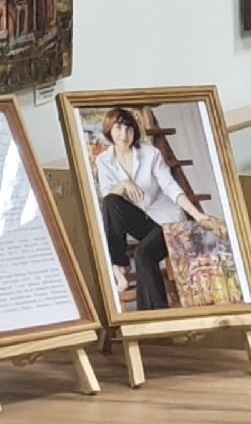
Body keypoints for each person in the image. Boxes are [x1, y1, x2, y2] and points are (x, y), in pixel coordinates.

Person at [91, 107, 216, 311]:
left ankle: (154, 315)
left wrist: (196, 214)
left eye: (129, 129)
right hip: (141, 221)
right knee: (111, 202)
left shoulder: (150, 154)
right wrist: (124, 184)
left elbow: (170, 186)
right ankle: (119, 264)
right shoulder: (104, 160)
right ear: (109, 131)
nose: (124, 134)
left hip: (165, 221)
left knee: (143, 254)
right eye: (118, 128)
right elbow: (107, 194)